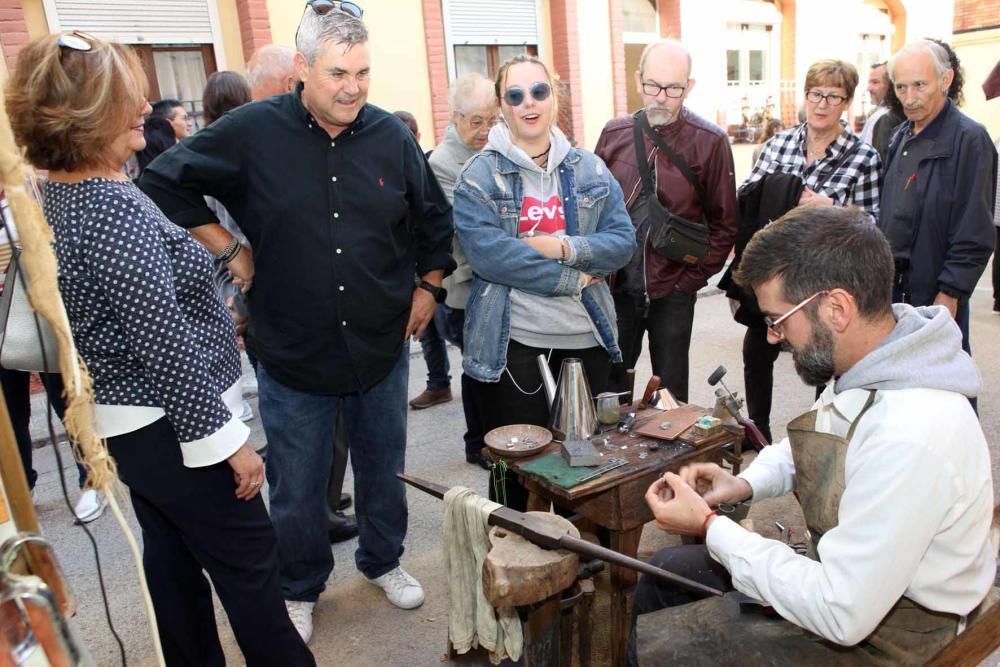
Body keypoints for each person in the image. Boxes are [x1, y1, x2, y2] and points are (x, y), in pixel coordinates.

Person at [140, 3, 454, 642]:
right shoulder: (252, 131)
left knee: (381, 465)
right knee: (297, 485)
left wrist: (428, 286)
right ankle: (300, 584)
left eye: (363, 72)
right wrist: (228, 248)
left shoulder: (391, 137)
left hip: (379, 347)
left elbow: (435, 223)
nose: (353, 87)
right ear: (302, 68)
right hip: (292, 351)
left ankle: (382, 560)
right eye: (339, 72)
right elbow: (162, 179)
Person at [5, 33, 313, 666]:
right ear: (88, 114)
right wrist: (229, 445)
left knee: (173, 574)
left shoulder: (61, 194)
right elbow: (162, 342)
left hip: (140, 432)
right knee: (254, 580)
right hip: (176, 432)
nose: (144, 105)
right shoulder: (110, 205)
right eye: (126, 96)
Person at [631, 205, 995, 665]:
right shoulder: (876, 357)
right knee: (664, 572)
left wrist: (709, 526)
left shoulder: (912, 429)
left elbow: (841, 612)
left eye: (777, 319)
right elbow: (815, 444)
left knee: (663, 650)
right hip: (856, 585)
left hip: (895, 634)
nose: (772, 337)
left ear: (836, 308)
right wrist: (744, 483)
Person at [453, 54, 635, 511]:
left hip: (585, 339)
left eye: (539, 91)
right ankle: (516, 559)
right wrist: (575, 279)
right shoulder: (478, 176)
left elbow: (622, 242)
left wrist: (560, 247)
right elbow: (492, 257)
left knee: (581, 468)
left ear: (555, 97)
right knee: (512, 471)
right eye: (515, 95)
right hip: (512, 342)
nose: (528, 104)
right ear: (502, 105)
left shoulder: (590, 169)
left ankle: (577, 560)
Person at [728, 59, 882, 444]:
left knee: (824, 354)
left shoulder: (863, 157)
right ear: (806, 95)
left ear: (846, 102)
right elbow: (748, 199)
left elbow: (873, 224)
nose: (822, 104)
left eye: (833, 96)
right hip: (775, 270)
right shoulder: (777, 144)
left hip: (826, 276)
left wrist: (831, 207)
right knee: (757, 347)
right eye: (816, 94)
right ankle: (757, 428)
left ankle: (820, 435)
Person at [244, 43, 358, 542]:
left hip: (335, 330)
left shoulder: (328, 136)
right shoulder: (247, 138)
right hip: (281, 331)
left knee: (331, 435)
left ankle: (327, 506)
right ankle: (302, 554)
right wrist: (232, 258)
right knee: (294, 449)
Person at [595, 40, 737, 403]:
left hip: (672, 290)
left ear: (689, 87)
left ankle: (672, 461)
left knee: (670, 398)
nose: (660, 97)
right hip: (616, 290)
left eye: (673, 89)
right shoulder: (614, 135)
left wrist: (688, 282)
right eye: (653, 85)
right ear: (639, 80)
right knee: (610, 392)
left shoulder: (711, 142)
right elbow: (591, 211)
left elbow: (725, 226)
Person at [878, 39, 997, 358]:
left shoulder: (969, 139)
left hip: (935, 289)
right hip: (893, 286)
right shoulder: (899, 136)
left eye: (919, 85)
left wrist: (951, 292)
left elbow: (974, 229)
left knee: (941, 382)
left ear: (946, 80)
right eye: (901, 87)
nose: (909, 97)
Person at [428, 72, 497, 467]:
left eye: (492, 120)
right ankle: (478, 444)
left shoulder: (493, 148)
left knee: (491, 368)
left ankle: (491, 438)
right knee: (477, 369)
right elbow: (477, 223)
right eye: (477, 121)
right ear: (456, 117)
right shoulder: (444, 162)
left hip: (491, 280)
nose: (486, 130)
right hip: (465, 287)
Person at [393, 109, 454, 411]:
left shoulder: (429, 166)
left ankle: (439, 382)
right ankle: (438, 383)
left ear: (416, 137)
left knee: (437, 326)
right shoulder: (387, 168)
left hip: (432, 266)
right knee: (425, 331)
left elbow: (438, 218)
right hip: (407, 267)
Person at [858, 61, 890, 146]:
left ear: (890, 85)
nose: (869, 88)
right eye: (869, 82)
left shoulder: (885, 118)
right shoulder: (878, 114)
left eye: (875, 82)